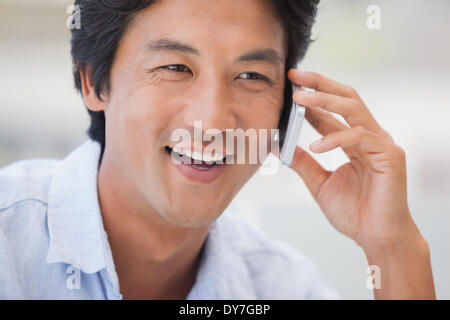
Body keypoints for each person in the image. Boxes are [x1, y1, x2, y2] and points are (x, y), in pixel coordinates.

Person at [0, 0, 435, 299]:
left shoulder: (280, 286)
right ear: (93, 82)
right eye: (175, 67)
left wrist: (393, 248)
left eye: (251, 76)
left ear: (288, 108)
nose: (212, 122)